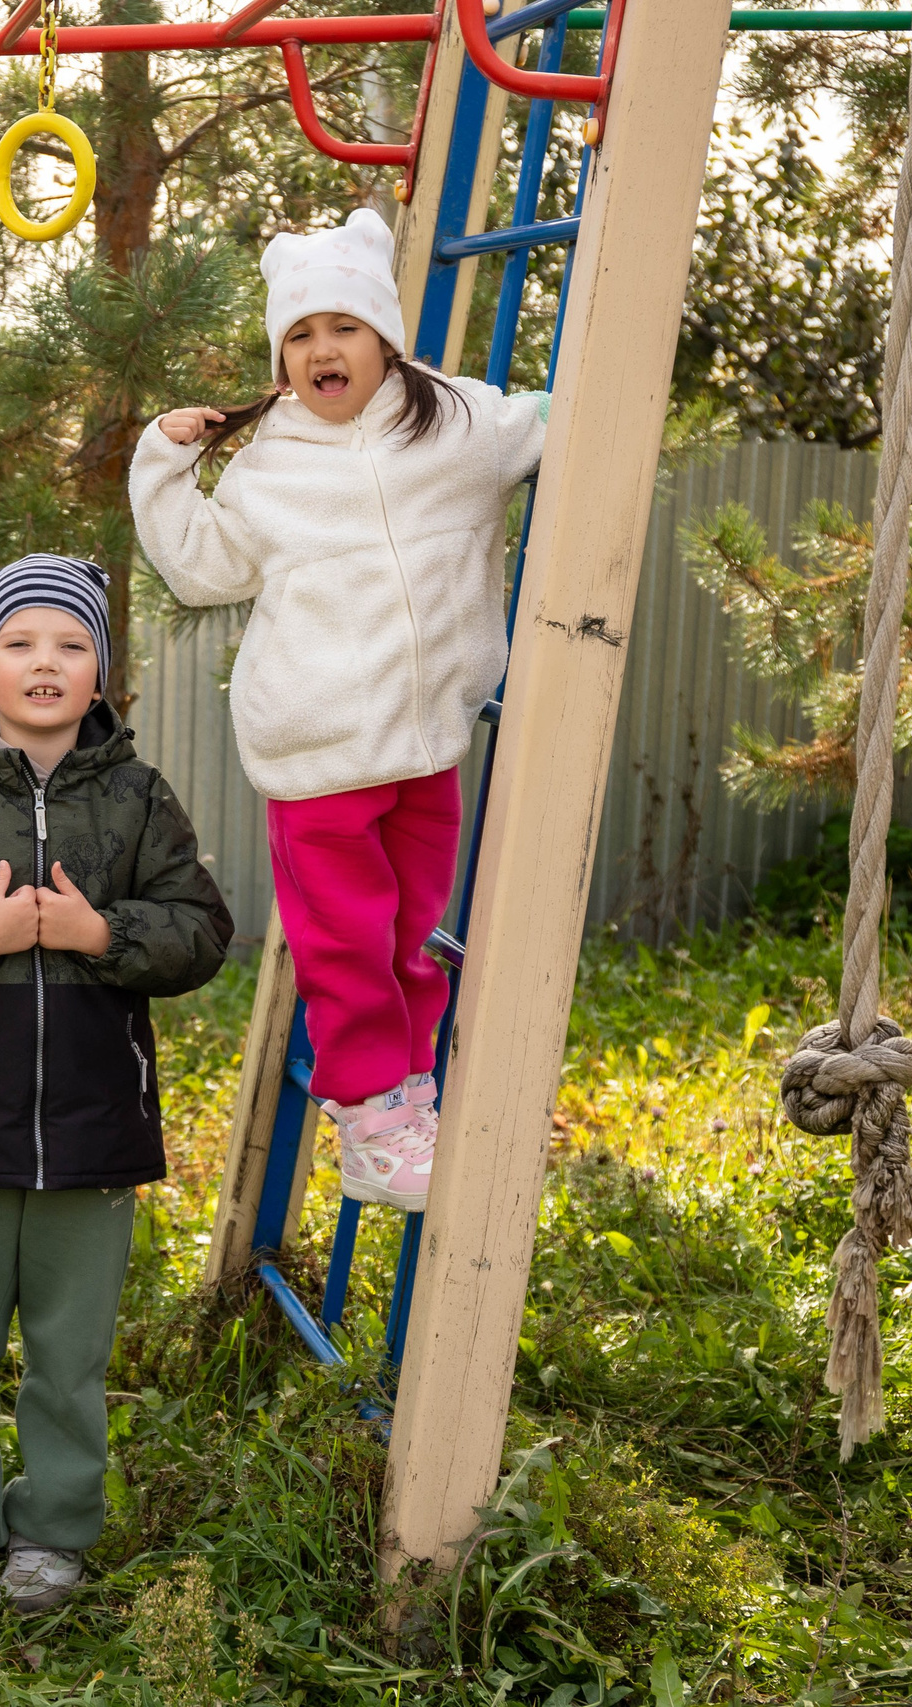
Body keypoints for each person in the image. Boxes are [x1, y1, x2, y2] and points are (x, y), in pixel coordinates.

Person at [130, 208, 547, 1215]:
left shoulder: (452, 423)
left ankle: (406, 1099)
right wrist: (163, 460)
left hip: (424, 742)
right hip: (315, 754)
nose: (323, 350)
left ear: (383, 337)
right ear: (282, 359)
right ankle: (366, 1116)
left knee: (410, 933)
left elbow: (541, 423)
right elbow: (197, 569)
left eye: (343, 328)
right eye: (300, 335)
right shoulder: (270, 460)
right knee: (347, 946)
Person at [0, 555, 233, 1620]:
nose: (45, 663)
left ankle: (53, 1532)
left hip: (91, 1124)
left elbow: (202, 931)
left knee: (69, 1353)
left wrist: (100, 933)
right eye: (19, 644)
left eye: (70, 645)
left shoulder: (139, 799)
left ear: (102, 674)